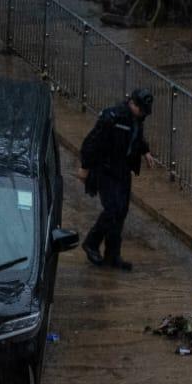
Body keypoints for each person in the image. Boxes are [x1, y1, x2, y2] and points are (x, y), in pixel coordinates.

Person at [78, 87, 153, 270]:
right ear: (132, 104)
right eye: (141, 110)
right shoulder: (113, 117)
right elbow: (92, 141)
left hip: (123, 170)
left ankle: (112, 255)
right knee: (111, 209)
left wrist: (145, 151)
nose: (143, 114)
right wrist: (85, 167)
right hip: (106, 169)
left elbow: (136, 136)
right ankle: (91, 242)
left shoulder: (137, 119)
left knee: (121, 212)